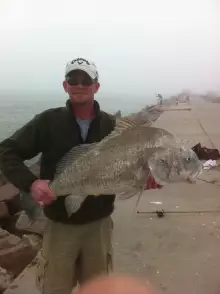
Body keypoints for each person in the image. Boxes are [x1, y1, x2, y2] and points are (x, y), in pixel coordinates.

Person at [0, 57, 161, 294]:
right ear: (65, 86)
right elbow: (6, 151)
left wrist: (143, 179)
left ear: (96, 86)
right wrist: (31, 183)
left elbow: (130, 170)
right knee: (54, 288)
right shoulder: (47, 122)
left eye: (86, 79)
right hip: (59, 226)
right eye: (73, 79)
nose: (79, 84)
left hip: (99, 227)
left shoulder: (112, 126)